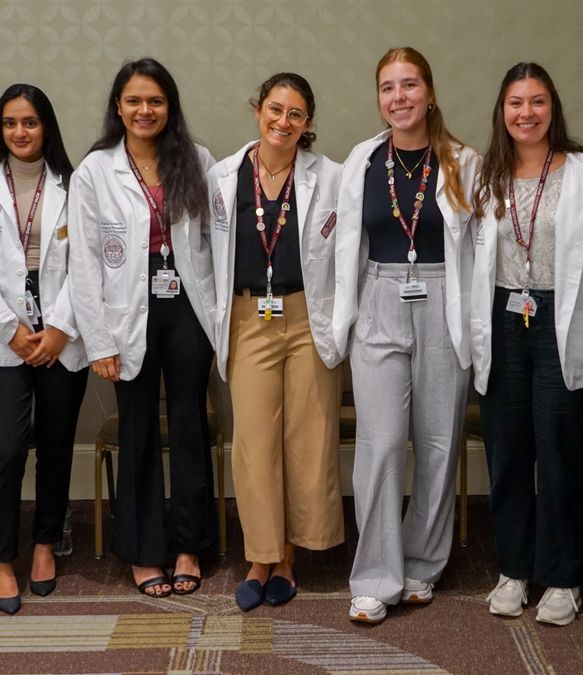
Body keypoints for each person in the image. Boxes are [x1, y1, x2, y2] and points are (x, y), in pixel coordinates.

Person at [469, 63, 583, 626]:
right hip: (504, 316)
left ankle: (562, 576)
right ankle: (514, 568)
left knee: (562, 451)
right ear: (501, 111)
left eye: (536, 101)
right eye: (515, 102)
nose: (526, 113)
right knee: (508, 451)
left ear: (552, 107)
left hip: (565, 317)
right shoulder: (486, 174)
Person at [333, 47, 479, 624]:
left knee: (439, 441)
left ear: (430, 91)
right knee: (382, 441)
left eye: (410, 85)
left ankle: (421, 562)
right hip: (379, 297)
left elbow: (482, 249)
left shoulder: (463, 161)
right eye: (388, 88)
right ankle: (373, 576)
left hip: (444, 297)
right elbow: (346, 245)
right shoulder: (362, 160)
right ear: (379, 99)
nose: (400, 98)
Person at [68, 58, 217, 598]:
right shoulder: (95, 171)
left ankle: (188, 545)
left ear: (169, 107)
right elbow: (81, 265)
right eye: (134, 100)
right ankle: (144, 549)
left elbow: (214, 248)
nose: (144, 110)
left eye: (155, 100)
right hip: (125, 312)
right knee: (136, 431)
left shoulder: (197, 161)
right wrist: (99, 341)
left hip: (187, 311)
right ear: (118, 107)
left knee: (189, 427)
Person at [206, 73, 345, 611]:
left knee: (307, 439)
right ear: (256, 109)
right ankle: (259, 556)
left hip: (308, 316)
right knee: (255, 443)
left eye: (295, 114)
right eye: (274, 109)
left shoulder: (329, 176)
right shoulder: (224, 176)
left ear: (307, 123)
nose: (282, 121)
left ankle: (288, 556)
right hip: (248, 316)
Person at [0, 84, 89, 614]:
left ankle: (43, 546)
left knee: (56, 446)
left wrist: (58, 328)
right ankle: (1, 557)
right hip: (0, 339)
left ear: (47, 127)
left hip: (63, 335)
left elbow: (90, 264)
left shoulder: (76, 185)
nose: (20, 132)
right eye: (10, 123)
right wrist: (11, 329)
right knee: (8, 450)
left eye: (30, 122)